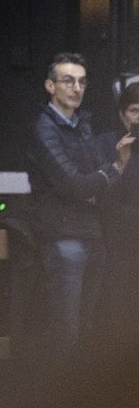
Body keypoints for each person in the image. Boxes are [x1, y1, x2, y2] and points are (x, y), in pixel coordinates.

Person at [23, 53, 131, 363]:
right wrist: (114, 169)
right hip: (62, 236)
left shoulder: (83, 125)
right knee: (65, 330)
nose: (77, 88)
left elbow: (90, 183)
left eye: (82, 82)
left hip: (92, 233)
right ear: (50, 85)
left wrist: (96, 182)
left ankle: (75, 391)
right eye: (68, 81)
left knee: (85, 330)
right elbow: (75, 185)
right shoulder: (43, 127)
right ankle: (54, 392)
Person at [94, 81, 139, 333]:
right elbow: (100, 195)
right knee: (115, 305)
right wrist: (120, 163)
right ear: (122, 115)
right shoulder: (106, 144)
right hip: (114, 238)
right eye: (134, 110)